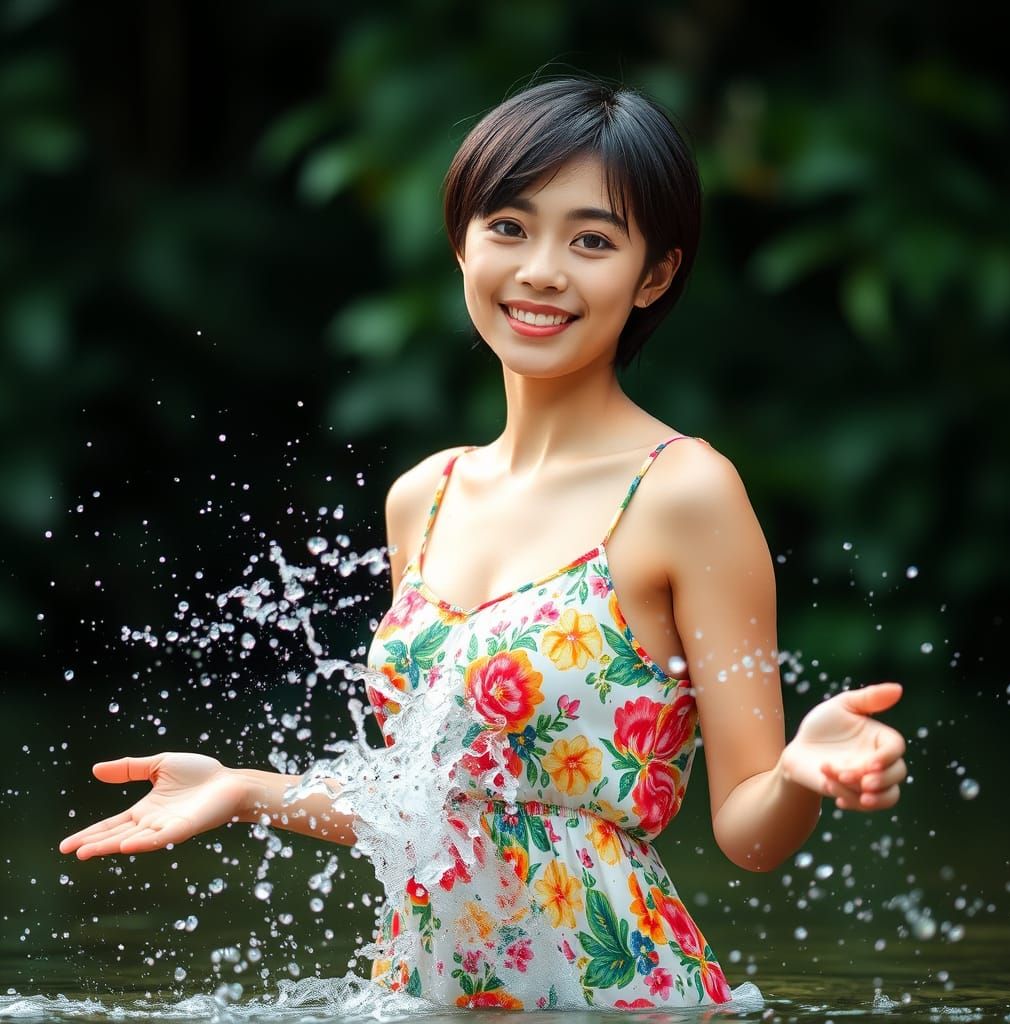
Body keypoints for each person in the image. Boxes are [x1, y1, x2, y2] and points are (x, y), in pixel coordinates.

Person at [59, 75, 907, 1011]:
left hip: (614, 996)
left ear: (654, 274)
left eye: (592, 240)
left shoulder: (683, 492)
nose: (542, 269)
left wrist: (794, 772)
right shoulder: (423, 497)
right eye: (509, 226)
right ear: (462, 241)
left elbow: (748, 834)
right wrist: (242, 788)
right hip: (420, 995)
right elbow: (427, 811)